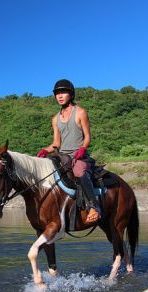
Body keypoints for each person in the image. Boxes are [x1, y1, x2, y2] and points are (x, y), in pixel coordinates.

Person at [37, 79, 100, 223]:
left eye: (63, 92)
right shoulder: (55, 119)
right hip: (62, 156)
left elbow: (88, 137)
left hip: (79, 156)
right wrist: (45, 151)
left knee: (79, 172)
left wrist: (83, 148)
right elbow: (56, 143)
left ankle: (93, 207)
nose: (60, 96)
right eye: (57, 93)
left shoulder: (80, 112)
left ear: (70, 95)